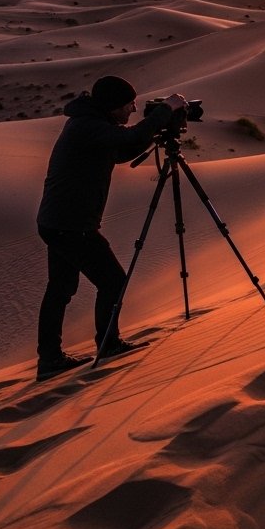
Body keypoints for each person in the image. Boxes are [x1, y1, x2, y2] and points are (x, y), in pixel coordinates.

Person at [35, 76, 187, 380]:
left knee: (61, 289)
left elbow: (119, 152)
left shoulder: (90, 124)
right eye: (129, 104)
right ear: (113, 105)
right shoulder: (86, 127)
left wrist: (154, 129)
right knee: (113, 282)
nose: (133, 108)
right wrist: (165, 111)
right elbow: (125, 140)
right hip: (71, 225)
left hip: (61, 221)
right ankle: (109, 344)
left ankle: (50, 359)